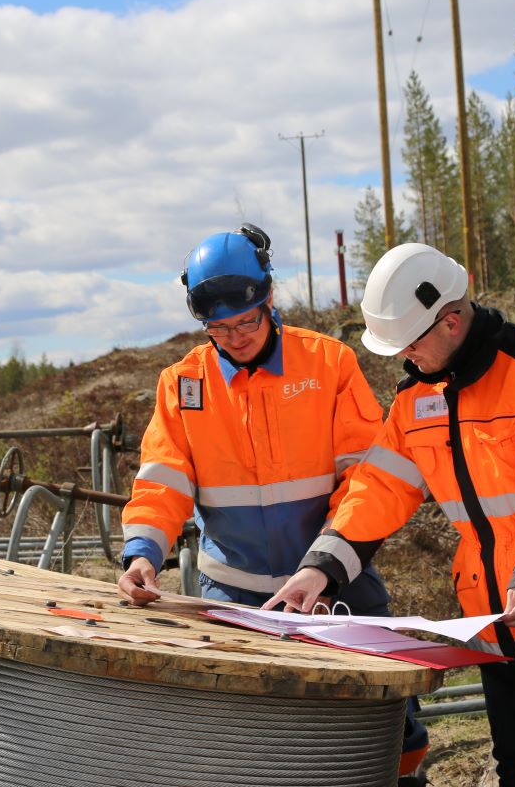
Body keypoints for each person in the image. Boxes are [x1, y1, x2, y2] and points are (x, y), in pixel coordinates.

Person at [266, 243, 515, 787]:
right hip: (499, 607)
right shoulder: (415, 400)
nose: (407, 358)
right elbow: (379, 488)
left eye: (411, 344)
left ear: (450, 321)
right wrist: (321, 568)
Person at [118, 224, 429, 785]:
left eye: (246, 322)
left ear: (268, 302)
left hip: (339, 589)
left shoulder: (328, 364)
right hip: (236, 599)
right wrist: (143, 552)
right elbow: (162, 482)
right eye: (219, 328)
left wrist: (328, 566)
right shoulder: (182, 384)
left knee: (391, 726)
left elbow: (366, 480)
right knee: (253, 742)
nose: (235, 338)